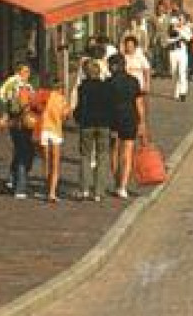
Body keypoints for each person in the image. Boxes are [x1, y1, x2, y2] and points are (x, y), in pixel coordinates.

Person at [106, 52, 145, 200]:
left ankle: (117, 182)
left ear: (114, 66)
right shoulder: (134, 81)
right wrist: (142, 123)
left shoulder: (108, 83)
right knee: (127, 153)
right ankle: (123, 186)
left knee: (114, 151)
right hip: (130, 118)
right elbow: (139, 103)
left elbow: (106, 105)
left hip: (113, 119)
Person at [73, 59, 111, 202]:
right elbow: (110, 106)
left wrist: (77, 118)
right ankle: (99, 191)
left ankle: (84, 189)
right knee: (102, 155)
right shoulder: (106, 87)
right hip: (103, 123)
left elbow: (80, 107)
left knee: (85, 156)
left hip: (87, 124)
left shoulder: (83, 88)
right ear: (99, 72)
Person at [0, 61, 36, 198]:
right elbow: (18, 105)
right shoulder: (17, 85)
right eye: (25, 72)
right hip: (21, 123)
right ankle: (20, 187)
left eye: (28, 72)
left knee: (21, 151)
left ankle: (13, 180)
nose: (27, 74)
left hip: (17, 123)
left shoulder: (21, 85)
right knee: (24, 153)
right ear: (18, 72)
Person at [38, 79, 71, 203]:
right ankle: (52, 193)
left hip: (43, 130)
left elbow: (37, 109)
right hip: (55, 131)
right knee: (55, 164)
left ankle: (46, 189)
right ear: (61, 88)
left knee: (46, 162)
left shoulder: (43, 96)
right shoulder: (62, 99)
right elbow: (64, 116)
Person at [166, 17, 190, 102]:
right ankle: (176, 91)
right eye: (174, 23)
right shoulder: (169, 31)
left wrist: (180, 31)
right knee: (174, 72)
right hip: (172, 53)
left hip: (182, 53)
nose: (177, 24)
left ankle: (183, 93)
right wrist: (177, 38)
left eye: (179, 21)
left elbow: (188, 38)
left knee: (182, 72)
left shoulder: (185, 29)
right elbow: (168, 41)